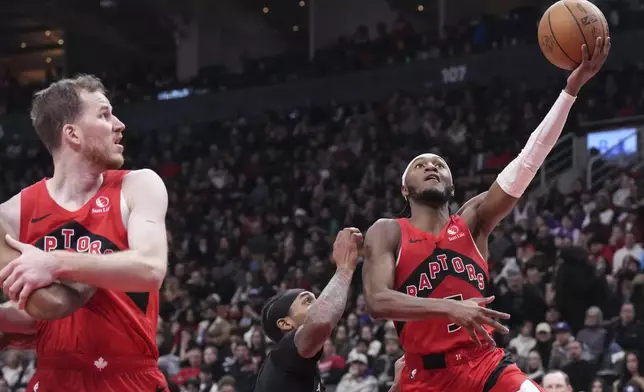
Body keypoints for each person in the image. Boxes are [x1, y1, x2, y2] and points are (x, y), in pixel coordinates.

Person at [362, 37, 610, 392]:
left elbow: (530, 158)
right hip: (424, 376)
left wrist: (570, 90)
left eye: (439, 165)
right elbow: (377, 302)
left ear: (451, 187)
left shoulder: (473, 220)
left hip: (484, 364)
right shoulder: (388, 231)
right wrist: (449, 310)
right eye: (420, 165)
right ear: (405, 189)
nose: (431, 166)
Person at [0, 74, 169, 392]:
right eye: (105, 114)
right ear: (72, 134)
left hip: (129, 377)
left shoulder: (138, 185)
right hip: (54, 377)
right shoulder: (11, 214)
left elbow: (150, 269)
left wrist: (55, 262)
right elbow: (44, 310)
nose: (120, 124)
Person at [254, 227, 362, 392]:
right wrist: (345, 268)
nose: (319, 304)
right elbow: (321, 321)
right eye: (307, 301)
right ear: (285, 323)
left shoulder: (309, 372)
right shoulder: (281, 356)